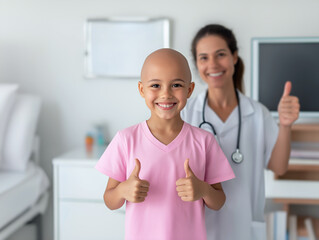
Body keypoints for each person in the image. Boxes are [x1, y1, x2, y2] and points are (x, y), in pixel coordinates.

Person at [95, 48, 235, 240]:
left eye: (176, 85)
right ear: (142, 90)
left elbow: (219, 201)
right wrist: (122, 190)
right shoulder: (126, 139)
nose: (166, 94)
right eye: (155, 86)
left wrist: (202, 190)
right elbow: (109, 200)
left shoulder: (204, 141)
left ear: (190, 89)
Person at [181, 24, 300, 240]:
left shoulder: (257, 113)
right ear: (197, 64)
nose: (213, 64)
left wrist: (285, 125)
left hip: (244, 229)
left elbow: (279, 166)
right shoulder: (187, 113)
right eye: (204, 58)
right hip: (199, 229)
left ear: (234, 57)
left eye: (221, 54)